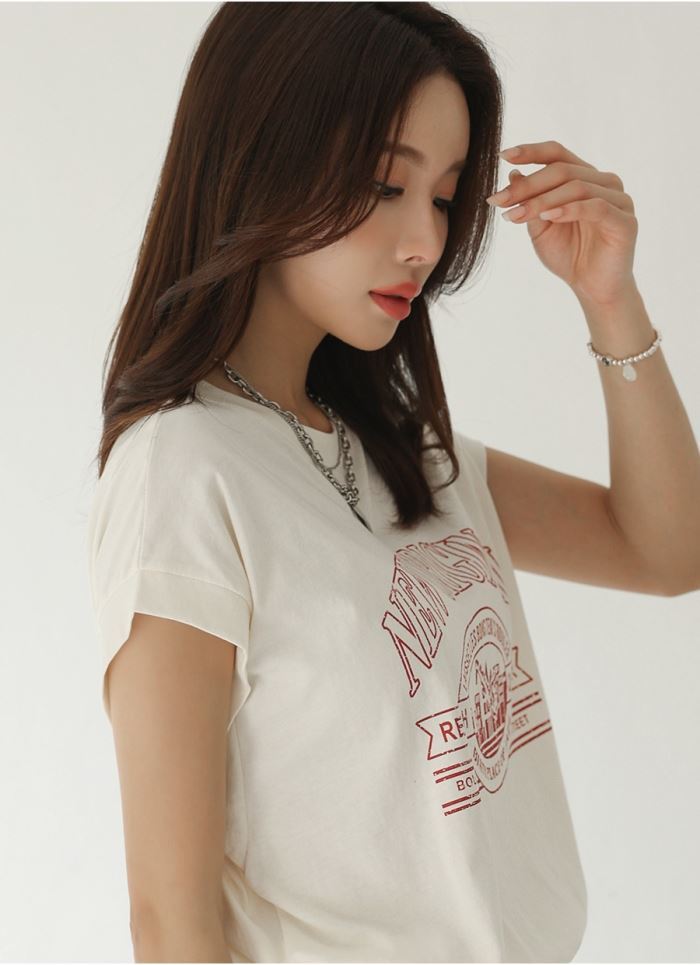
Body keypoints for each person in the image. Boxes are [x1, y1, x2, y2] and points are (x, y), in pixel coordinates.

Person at [87, 2, 696, 961]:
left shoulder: (404, 452)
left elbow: (668, 551)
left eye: (445, 198)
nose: (425, 241)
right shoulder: (185, 469)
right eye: (385, 185)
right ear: (260, 159)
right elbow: (170, 919)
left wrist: (609, 298)